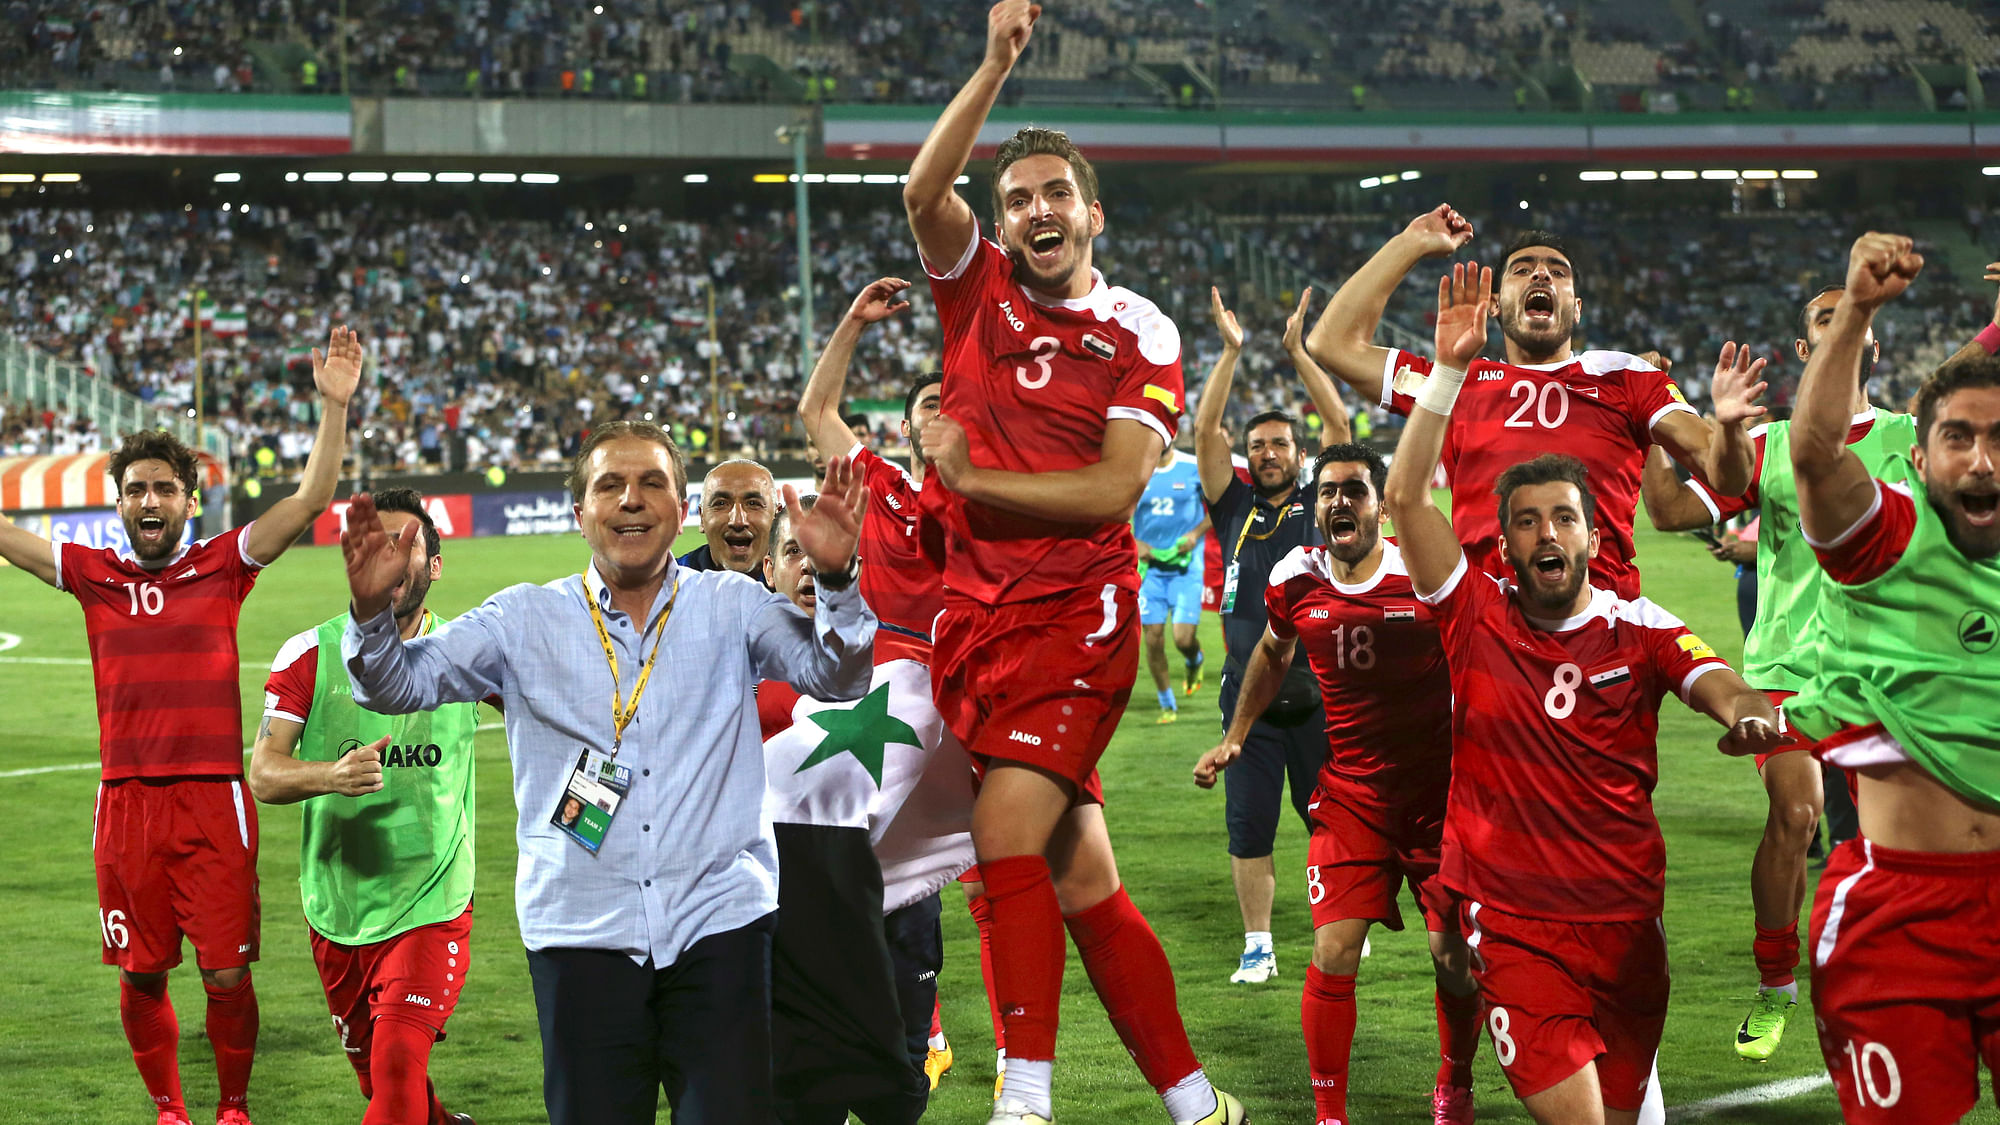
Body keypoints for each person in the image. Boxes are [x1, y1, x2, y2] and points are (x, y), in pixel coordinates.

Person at [903, 5, 1243, 1121]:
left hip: (1077, 619)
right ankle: (1196, 1104)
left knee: (1000, 840)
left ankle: (1025, 1100)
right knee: (1079, 872)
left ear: (1091, 214)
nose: (1035, 210)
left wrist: (966, 478)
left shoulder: (1141, 330)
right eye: (1016, 200)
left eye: (1055, 194)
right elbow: (920, 193)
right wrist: (993, 65)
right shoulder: (973, 286)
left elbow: (1111, 490)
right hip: (973, 622)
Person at [337, 419, 875, 1125]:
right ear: (579, 513)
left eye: (653, 482)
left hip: (719, 925)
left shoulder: (735, 607)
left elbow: (837, 675)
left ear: (680, 509)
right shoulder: (521, 618)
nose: (631, 499)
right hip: (580, 930)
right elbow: (392, 685)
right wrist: (373, 613)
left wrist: (836, 582)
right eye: (610, 484)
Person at [1383, 262, 1782, 1124]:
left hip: (1630, 928)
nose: (1545, 533)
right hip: (1520, 926)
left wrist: (1748, 710)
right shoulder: (1474, 615)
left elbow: (1713, 678)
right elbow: (1407, 496)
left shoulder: (1640, 624)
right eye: (1526, 520)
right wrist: (1450, 369)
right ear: (1504, 540)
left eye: (1564, 516)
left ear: (1596, 536)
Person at [0, 326, 363, 1125]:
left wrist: (333, 409)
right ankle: (171, 1108)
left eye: (165, 487)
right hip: (126, 806)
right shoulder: (92, 576)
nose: (150, 500)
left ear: (189, 501)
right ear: (120, 502)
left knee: (228, 975)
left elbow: (307, 501)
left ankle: (233, 1107)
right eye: (136, 489)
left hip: (213, 804)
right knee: (140, 974)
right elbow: (5, 536)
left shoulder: (224, 566)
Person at [1637, 285, 1917, 1061]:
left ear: (1874, 343)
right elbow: (1667, 512)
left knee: (1903, 847)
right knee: (1796, 815)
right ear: (1804, 350)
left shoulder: (1913, 438)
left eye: (1852, 316)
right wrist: (1668, 433)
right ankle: (1775, 987)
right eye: (1822, 318)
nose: (1839, 325)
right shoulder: (1769, 446)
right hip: (1787, 669)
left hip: (1887, 676)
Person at [1781, 232, 2000, 1124]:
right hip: (1900, 912)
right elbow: (1815, 453)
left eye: (1999, 439)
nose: (1982, 462)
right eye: (1958, 439)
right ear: (1918, 457)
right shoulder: (1891, 543)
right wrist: (1858, 311)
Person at [1194, 442, 1479, 1125]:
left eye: (1354, 489)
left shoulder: (1425, 574)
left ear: (1382, 503)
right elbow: (1271, 649)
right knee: (1333, 949)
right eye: (1327, 491)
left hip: (1439, 800)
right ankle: (1330, 1116)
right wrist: (1236, 734)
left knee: (1454, 957)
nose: (1338, 501)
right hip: (1351, 797)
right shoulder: (1298, 575)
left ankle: (1455, 1081)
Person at [1304, 204, 1765, 600]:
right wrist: (1410, 243)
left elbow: (1728, 475)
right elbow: (1330, 343)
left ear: (1577, 308)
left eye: (1557, 271)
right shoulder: (1452, 382)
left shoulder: (1627, 376)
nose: (1541, 272)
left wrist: (1726, 427)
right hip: (1487, 633)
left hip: (1603, 633)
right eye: (1522, 269)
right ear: (1496, 305)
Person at [794, 276, 976, 1096]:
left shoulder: (994, 497)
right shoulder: (884, 493)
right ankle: (900, 1031)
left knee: (1015, 883)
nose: (938, 412)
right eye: (926, 404)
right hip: (896, 699)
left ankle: (1018, 1070)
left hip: (984, 692)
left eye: (951, 402)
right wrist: (852, 323)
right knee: (863, 871)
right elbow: (814, 413)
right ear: (908, 426)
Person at [247, 488, 480, 1125]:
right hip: (338, 910)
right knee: (387, 1087)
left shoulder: (467, 652)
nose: (395, 558)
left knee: (399, 1065)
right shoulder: (310, 654)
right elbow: (263, 773)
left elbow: (556, 717)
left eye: (411, 547)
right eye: (383, 543)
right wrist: (331, 774)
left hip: (430, 904)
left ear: (434, 565)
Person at [756, 498, 976, 1125]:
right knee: (799, 1086)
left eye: (818, 552)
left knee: (898, 1089)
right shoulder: (741, 667)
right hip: (789, 907)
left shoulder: (901, 658)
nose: (806, 567)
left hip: (898, 907)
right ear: (769, 569)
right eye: (791, 552)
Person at [1193, 286, 1350, 985]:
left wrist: (1296, 350)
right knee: (1248, 827)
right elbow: (1204, 433)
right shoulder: (1233, 505)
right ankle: (1258, 944)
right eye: (1257, 447)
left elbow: (1341, 423)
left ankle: (1340, 918)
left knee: (1332, 821)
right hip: (1246, 703)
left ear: (1298, 451)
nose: (1267, 454)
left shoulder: (1325, 500)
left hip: (1322, 694)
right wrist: (1230, 352)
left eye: (1279, 443)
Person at [1134, 433, 1210, 723]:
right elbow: (1116, 510)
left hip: (1185, 568)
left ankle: (1194, 659)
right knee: (1152, 640)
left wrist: (1195, 533)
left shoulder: (1193, 467)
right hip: (1149, 570)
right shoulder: (1136, 469)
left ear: (1173, 434)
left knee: (1181, 638)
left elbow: (1218, 508)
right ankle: (1167, 704)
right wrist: (1134, 541)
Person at [678, 457, 778, 577]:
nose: (738, 521)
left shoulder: (799, 583)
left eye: (753, 504)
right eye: (721, 503)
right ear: (702, 518)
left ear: (777, 518)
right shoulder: (673, 583)